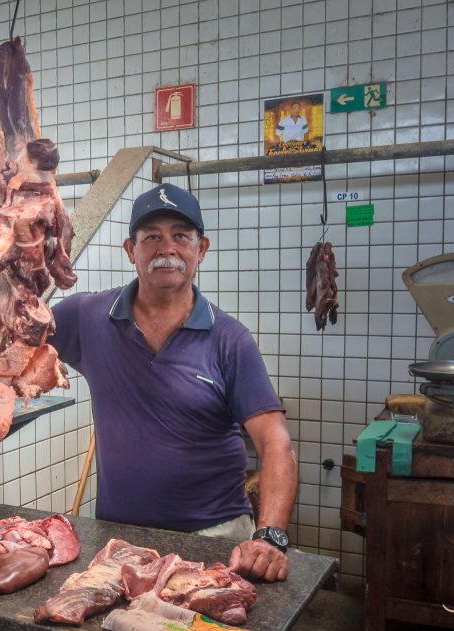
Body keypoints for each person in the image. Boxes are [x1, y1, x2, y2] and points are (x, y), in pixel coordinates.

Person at [49, 183, 297, 584]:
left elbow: (276, 443)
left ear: (201, 249)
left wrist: (270, 536)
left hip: (214, 538)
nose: (167, 248)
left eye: (181, 236)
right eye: (152, 237)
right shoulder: (88, 316)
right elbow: (10, 330)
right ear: (131, 251)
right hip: (120, 542)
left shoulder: (229, 340)